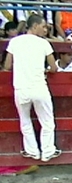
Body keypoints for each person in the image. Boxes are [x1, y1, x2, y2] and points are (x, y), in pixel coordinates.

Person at [3, 14, 61, 162]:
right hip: (39, 87)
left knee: (25, 121)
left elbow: (7, 66)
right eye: (43, 27)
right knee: (47, 121)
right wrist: (47, 70)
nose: (45, 30)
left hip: (21, 88)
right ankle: (48, 152)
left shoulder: (15, 42)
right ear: (34, 26)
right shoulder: (44, 43)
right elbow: (54, 67)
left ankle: (32, 151)